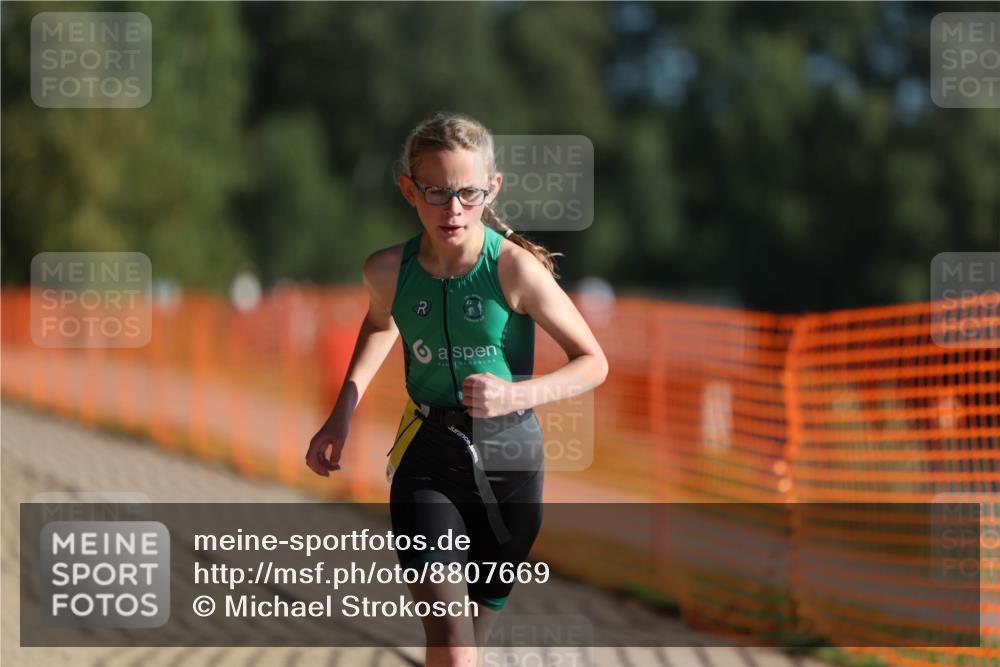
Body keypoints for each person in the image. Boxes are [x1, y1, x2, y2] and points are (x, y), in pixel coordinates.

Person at [306, 112, 608, 667]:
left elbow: (593, 363)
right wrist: (341, 413)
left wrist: (515, 396)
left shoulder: (515, 269)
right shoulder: (387, 271)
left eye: (469, 193)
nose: (454, 210)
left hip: (510, 466)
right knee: (451, 642)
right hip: (427, 456)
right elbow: (380, 323)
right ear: (409, 190)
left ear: (492, 188)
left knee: (471, 644)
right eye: (438, 192)